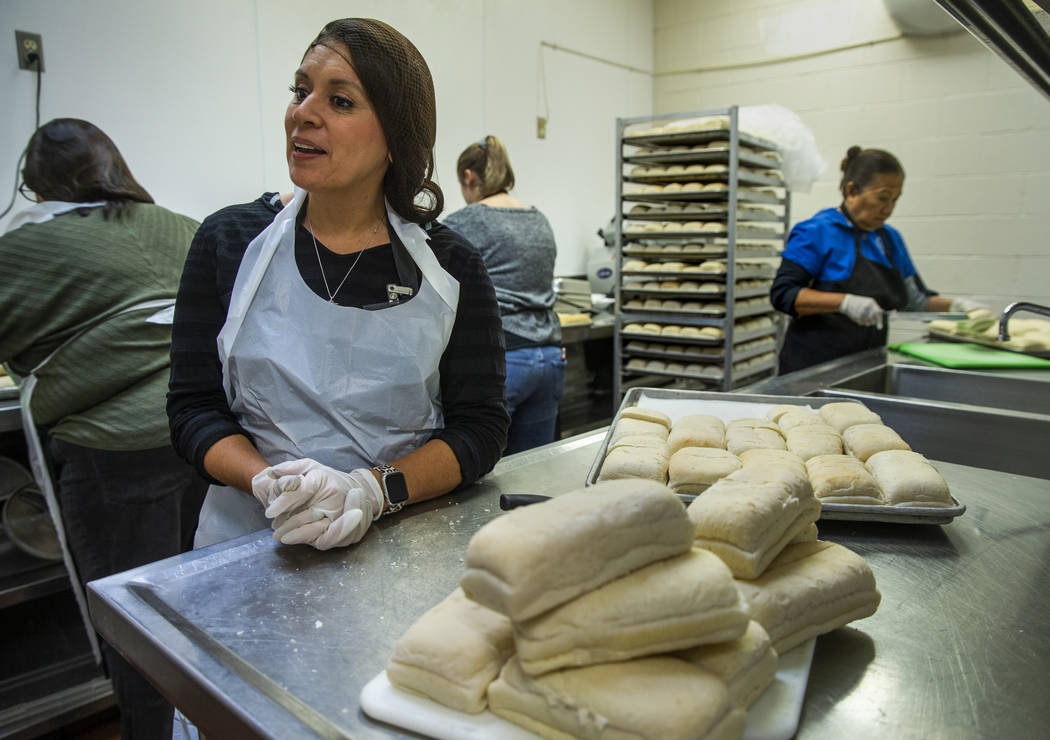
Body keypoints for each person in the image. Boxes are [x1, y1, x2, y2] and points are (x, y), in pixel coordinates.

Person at [167, 19, 508, 553]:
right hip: (249, 546)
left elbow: (480, 429)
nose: (304, 113)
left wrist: (371, 491)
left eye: (341, 101)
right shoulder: (229, 241)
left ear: (396, 138)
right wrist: (266, 482)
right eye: (300, 92)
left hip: (400, 540)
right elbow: (193, 407)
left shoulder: (450, 265)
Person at [0, 118, 208, 740]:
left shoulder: (21, 250)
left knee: (141, 636)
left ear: (37, 185)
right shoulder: (181, 226)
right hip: (209, 440)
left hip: (117, 455)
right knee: (207, 618)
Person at [770, 145, 986, 374]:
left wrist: (957, 306)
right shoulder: (816, 232)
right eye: (883, 198)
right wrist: (844, 303)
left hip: (867, 364)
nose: (889, 209)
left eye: (895, 200)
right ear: (852, 191)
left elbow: (915, 300)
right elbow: (784, 294)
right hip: (811, 367)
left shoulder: (890, 239)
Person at [443, 135, 564, 454]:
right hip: (549, 359)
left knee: (484, 474)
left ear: (468, 177)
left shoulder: (466, 220)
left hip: (503, 362)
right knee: (535, 471)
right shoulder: (538, 218)